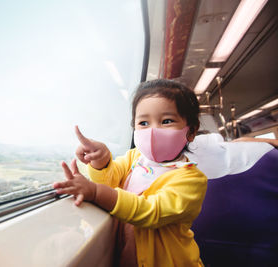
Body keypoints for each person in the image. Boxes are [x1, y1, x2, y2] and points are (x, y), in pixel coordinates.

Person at [53, 79, 207, 267]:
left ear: (190, 132)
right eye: (143, 122)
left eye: (166, 121)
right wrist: (101, 161)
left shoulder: (191, 179)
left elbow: (152, 212)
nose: (153, 131)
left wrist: (95, 192)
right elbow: (110, 179)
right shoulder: (134, 158)